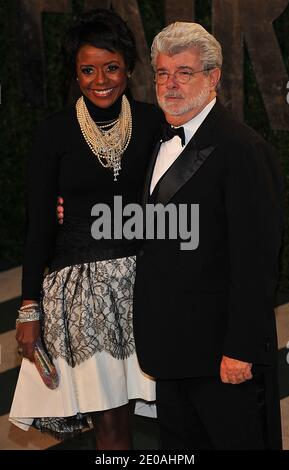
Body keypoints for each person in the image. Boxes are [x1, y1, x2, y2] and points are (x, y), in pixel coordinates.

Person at [9, 9, 162, 449]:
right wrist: (29, 308)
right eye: (88, 69)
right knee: (110, 425)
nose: (101, 79)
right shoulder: (53, 133)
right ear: (75, 74)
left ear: (129, 69)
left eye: (111, 67)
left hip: (145, 285)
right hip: (82, 295)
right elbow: (38, 224)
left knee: (143, 416)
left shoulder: (154, 123)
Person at [132, 22, 284, 450]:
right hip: (170, 347)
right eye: (162, 73)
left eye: (184, 72)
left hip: (221, 354)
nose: (171, 84)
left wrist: (242, 348)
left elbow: (258, 259)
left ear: (213, 77)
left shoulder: (243, 149)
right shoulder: (157, 141)